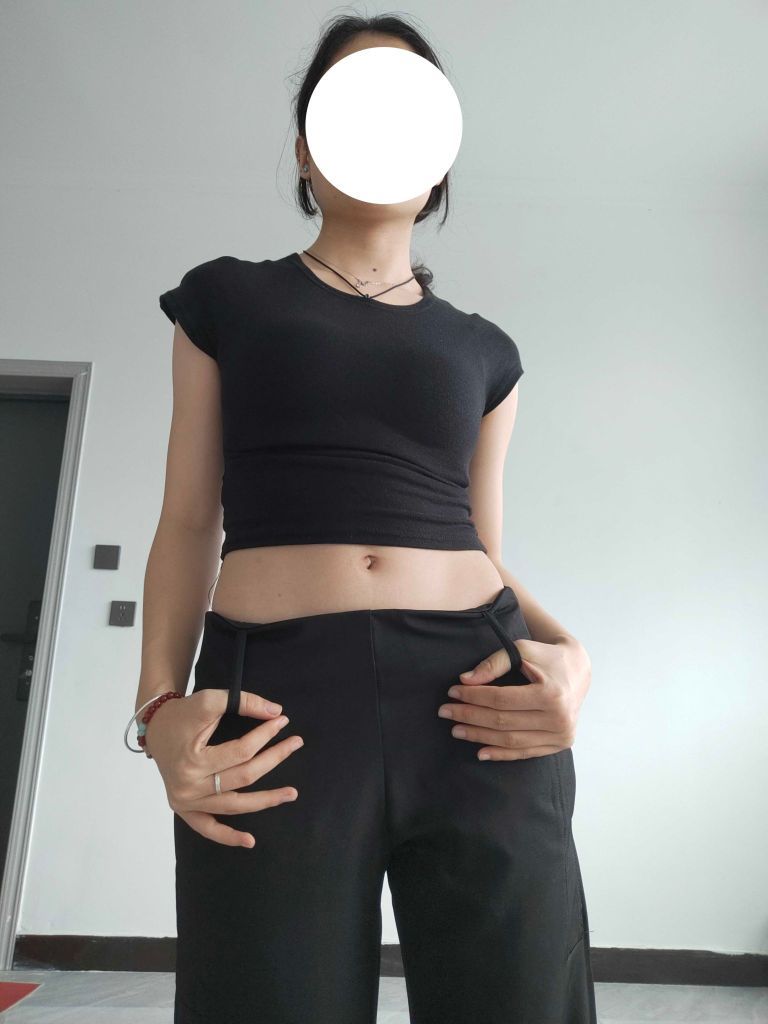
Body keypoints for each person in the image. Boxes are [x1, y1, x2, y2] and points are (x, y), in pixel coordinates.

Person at [135, 13, 597, 1024]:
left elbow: (483, 549)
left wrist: (574, 658)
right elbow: (187, 521)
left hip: (478, 694)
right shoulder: (227, 300)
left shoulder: (486, 351)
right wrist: (158, 706)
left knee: (519, 999)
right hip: (277, 698)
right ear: (307, 150)